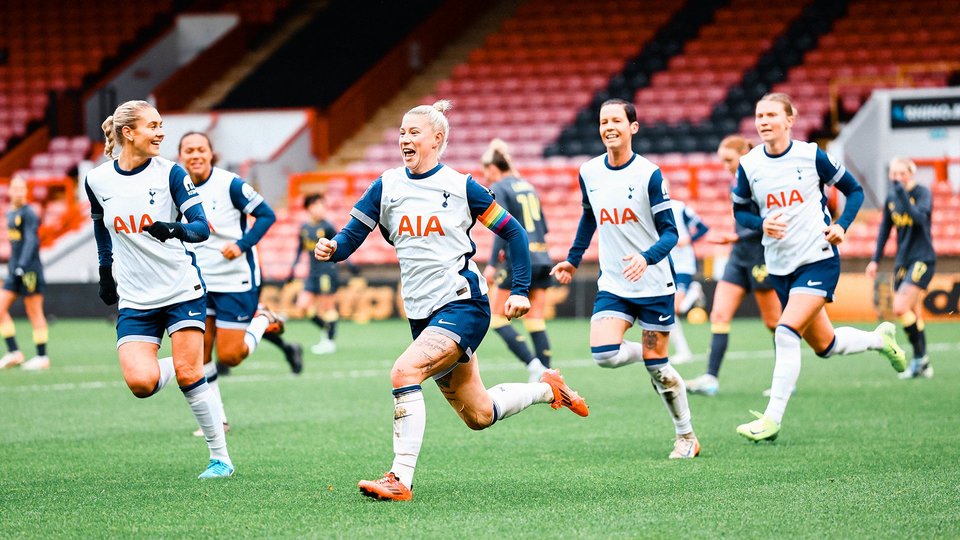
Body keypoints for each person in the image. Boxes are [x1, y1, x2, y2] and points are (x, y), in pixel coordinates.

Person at [314, 100, 588, 501]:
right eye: (402, 132)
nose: (405, 139)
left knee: (404, 372)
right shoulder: (387, 185)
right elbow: (353, 235)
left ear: (437, 139)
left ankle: (400, 478)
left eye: (414, 132)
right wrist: (333, 247)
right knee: (479, 415)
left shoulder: (462, 187)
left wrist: (519, 290)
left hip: (464, 304)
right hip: (423, 315)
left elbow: (514, 233)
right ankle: (549, 389)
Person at [731, 93, 906, 442]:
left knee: (785, 331)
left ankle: (771, 419)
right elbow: (741, 213)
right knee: (825, 346)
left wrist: (841, 225)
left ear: (789, 119)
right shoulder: (749, 164)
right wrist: (761, 223)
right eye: (758, 115)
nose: (763, 121)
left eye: (770, 115)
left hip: (818, 257)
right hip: (779, 266)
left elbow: (854, 191)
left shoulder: (811, 155)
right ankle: (879, 339)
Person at [84, 100, 233, 478]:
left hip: (182, 289)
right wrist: (106, 271)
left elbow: (200, 228)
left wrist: (174, 228)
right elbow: (101, 226)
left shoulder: (171, 174)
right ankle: (191, 364)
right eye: (153, 126)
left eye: (162, 124)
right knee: (141, 383)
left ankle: (221, 459)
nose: (161, 132)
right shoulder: (98, 180)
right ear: (128, 133)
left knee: (187, 376)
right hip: (136, 297)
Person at [550, 98, 700, 459]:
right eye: (604, 122)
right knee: (603, 354)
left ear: (633, 127)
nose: (609, 127)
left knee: (660, 373)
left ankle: (686, 436)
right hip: (615, 283)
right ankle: (654, 356)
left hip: (653, 284)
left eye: (617, 120)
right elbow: (589, 217)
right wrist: (572, 260)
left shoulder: (649, 174)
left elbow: (670, 234)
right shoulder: (589, 172)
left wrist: (646, 259)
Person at [179, 131, 300, 438]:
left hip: (236, 277)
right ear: (181, 156)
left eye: (200, 149)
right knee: (199, 353)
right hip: (198, 281)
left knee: (230, 356)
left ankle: (263, 319)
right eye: (188, 150)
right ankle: (217, 420)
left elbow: (265, 214)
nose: (194, 155)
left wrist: (242, 244)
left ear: (210, 153)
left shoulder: (229, 184)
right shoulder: (174, 187)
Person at [686, 135, 782, 395]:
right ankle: (710, 379)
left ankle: (785, 381)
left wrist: (735, 237)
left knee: (774, 322)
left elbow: (768, 225)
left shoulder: (761, 182)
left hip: (761, 257)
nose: (725, 165)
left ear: (743, 153)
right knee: (718, 315)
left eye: (728, 159)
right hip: (738, 257)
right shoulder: (736, 182)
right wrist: (735, 240)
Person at [480, 139, 551, 383]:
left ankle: (533, 365)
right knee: (536, 320)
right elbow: (544, 227)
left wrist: (491, 263)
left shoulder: (501, 186)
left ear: (492, 168)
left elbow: (503, 228)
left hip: (520, 259)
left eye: (486, 174)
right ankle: (548, 376)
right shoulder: (528, 186)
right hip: (543, 256)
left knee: (497, 319)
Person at [865, 156, 935, 379]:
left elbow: (918, 219)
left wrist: (903, 194)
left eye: (902, 174)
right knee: (913, 312)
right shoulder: (891, 197)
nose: (897, 178)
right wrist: (875, 260)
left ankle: (920, 358)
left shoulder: (922, 193)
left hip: (922, 258)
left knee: (900, 307)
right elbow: (885, 230)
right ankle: (922, 362)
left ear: (911, 174)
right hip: (903, 261)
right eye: (893, 174)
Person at [288, 193, 351, 355]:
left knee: (327, 307)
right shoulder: (305, 228)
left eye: (323, 205)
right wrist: (293, 268)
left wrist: (351, 265)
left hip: (327, 271)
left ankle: (329, 341)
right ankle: (329, 329)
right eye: (317, 205)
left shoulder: (328, 227)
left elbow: (340, 245)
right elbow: (300, 249)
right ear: (309, 208)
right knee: (302, 306)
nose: (321, 209)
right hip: (312, 272)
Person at [0, 175, 50, 370]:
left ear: (26, 191)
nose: (19, 192)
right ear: (10, 191)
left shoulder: (29, 213)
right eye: (15, 188)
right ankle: (14, 352)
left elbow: (31, 241)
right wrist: (14, 268)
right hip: (15, 270)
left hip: (29, 271)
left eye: (22, 188)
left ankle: (42, 357)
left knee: (34, 312)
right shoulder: (10, 213)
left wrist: (21, 266)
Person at [666, 195, 708, 364]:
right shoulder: (649, 210)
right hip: (663, 264)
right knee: (669, 310)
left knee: (673, 310)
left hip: (683, 264)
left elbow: (703, 228)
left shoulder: (679, 208)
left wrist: (688, 240)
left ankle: (683, 351)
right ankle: (694, 291)